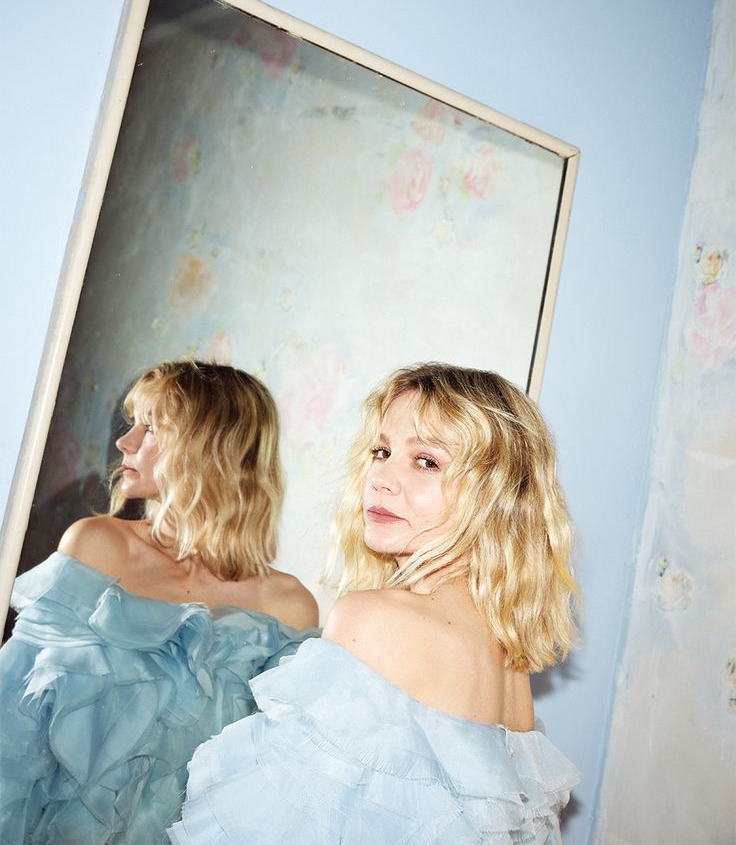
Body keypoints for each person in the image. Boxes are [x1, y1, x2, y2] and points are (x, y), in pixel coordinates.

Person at [168, 362, 581, 845]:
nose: (382, 477)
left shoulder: (375, 618)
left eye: (426, 461)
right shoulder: (509, 657)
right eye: (381, 451)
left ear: (495, 494)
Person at [0, 360, 319, 845]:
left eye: (151, 428)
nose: (124, 443)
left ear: (208, 450)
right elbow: (12, 723)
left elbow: (269, 783)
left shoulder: (289, 608)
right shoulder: (95, 546)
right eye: (133, 425)